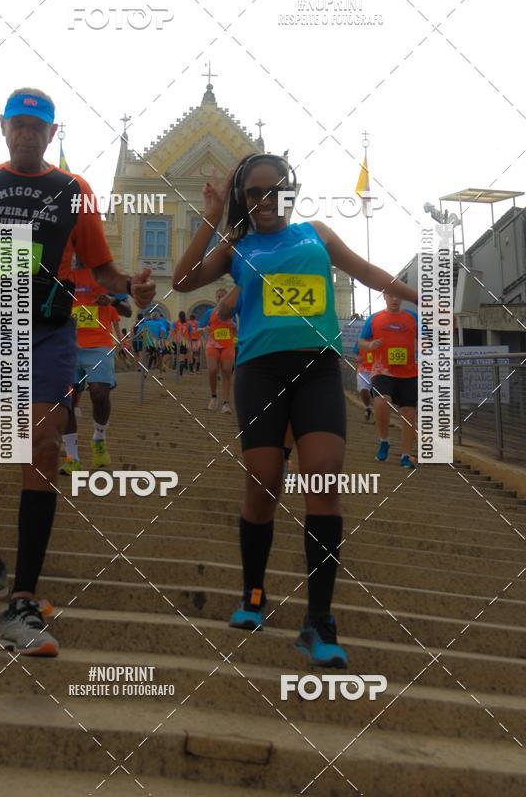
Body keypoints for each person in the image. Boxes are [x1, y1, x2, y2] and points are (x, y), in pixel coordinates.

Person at [0, 87, 155, 657]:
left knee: (40, 448)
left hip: (46, 331)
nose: (27, 133)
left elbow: (101, 269)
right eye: (19, 124)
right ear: (3, 127)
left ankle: (23, 600)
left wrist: (131, 286)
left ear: (52, 133)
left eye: (38, 126)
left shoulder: (74, 190)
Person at [173, 153, 418, 667]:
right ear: (243, 198)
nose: (265, 200)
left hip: (318, 369)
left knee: (323, 478)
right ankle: (253, 594)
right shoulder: (238, 245)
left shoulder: (317, 234)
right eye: (254, 192)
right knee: (263, 482)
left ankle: (319, 620)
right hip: (260, 371)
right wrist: (213, 217)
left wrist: (421, 297)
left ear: (292, 191)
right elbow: (183, 282)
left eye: (275, 190)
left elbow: (366, 271)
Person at [60, 265, 123, 475]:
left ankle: (99, 437)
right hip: (68, 346)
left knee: (99, 393)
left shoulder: (106, 275)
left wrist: (112, 300)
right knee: (67, 401)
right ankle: (72, 458)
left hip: (99, 346)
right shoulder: (63, 273)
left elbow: (127, 309)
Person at [358, 292, 419, 468]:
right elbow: (361, 341)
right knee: (381, 401)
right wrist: (370, 345)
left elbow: (427, 337)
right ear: (384, 296)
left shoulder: (413, 317)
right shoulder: (374, 318)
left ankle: (405, 455)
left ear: (402, 298)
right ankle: (384, 440)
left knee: (408, 412)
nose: (394, 299)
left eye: (397, 296)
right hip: (382, 370)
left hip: (408, 372)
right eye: (391, 296)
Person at [197, 289, 237, 412]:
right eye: (219, 296)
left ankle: (226, 403)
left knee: (226, 371)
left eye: (223, 296)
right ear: (216, 298)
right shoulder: (210, 312)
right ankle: (213, 397)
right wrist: (205, 329)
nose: (221, 298)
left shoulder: (233, 313)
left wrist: (234, 327)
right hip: (212, 344)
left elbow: (237, 331)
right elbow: (198, 329)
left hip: (227, 345)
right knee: (212, 369)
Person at [352, 335, 374, 422]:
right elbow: (355, 353)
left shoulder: (380, 337)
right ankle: (368, 407)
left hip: (378, 370)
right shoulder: (360, 340)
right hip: (363, 370)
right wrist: (357, 357)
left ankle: (380, 415)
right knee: (363, 390)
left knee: (379, 395)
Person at [171, 311, 191, 376]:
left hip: (176, 341)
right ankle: (180, 373)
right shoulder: (188, 323)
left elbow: (172, 331)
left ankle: (176, 370)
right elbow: (190, 332)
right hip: (185, 341)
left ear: (179, 316)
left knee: (177, 356)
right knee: (182, 357)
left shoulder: (175, 323)